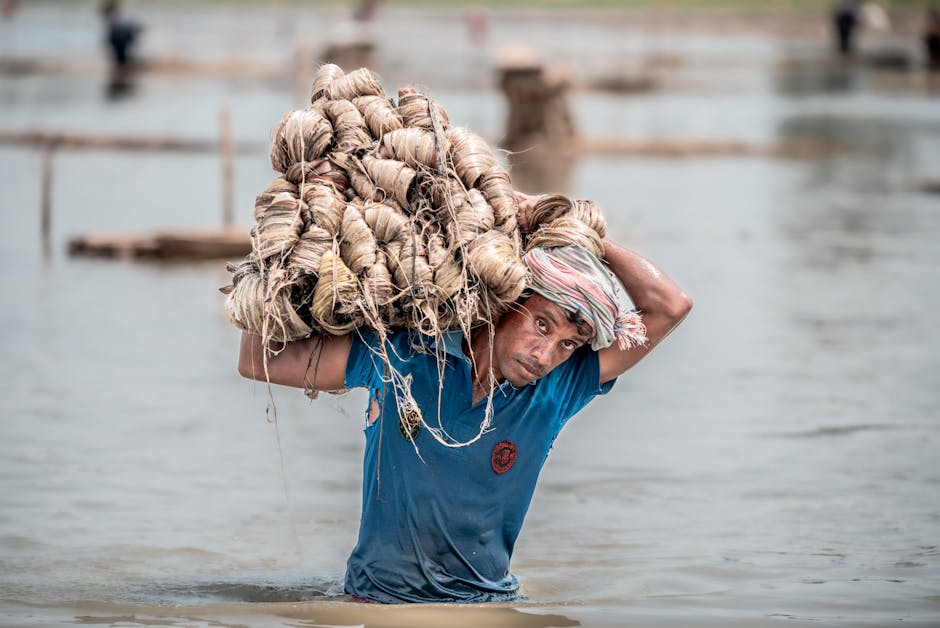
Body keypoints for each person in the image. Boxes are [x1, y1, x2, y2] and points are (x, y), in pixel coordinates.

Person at [237, 192, 692, 603]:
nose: (546, 355)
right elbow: (257, 359)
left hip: (486, 604)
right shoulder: (403, 354)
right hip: (376, 603)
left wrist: (570, 230)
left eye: (569, 344)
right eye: (543, 325)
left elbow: (671, 307)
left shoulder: (559, 389)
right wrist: (282, 243)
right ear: (507, 301)